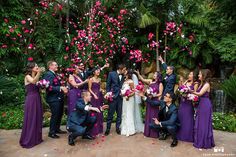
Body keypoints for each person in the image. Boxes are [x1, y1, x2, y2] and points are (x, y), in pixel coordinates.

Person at [19, 61, 43, 148]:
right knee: (31, 117)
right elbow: (33, 82)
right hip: (31, 99)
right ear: (31, 68)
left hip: (37, 98)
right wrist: (39, 73)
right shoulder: (27, 76)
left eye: (37, 66)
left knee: (37, 117)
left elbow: (37, 84)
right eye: (36, 66)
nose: (37, 67)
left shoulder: (35, 76)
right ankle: (28, 139)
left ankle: (36, 138)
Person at [135, 70, 163, 138]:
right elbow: (143, 79)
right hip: (149, 101)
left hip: (155, 101)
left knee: (154, 115)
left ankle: (154, 133)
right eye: (154, 73)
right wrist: (138, 74)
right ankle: (148, 132)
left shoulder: (160, 84)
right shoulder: (150, 81)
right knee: (148, 115)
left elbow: (160, 94)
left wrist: (153, 95)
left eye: (155, 74)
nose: (154, 75)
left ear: (158, 76)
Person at [191, 69, 215, 149]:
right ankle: (199, 140)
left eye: (200, 74)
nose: (198, 75)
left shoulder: (207, 84)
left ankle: (204, 142)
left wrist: (190, 91)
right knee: (199, 122)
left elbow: (200, 93)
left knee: (203, 123)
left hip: (205, 105)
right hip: (201, 104)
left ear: (204, 75)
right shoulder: (201, 83)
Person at [44, 61, 68, 139]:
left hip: (59, 97)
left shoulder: (54, 74)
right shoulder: (48, 74)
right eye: (55, 65)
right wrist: (60, 88)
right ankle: (52, 132)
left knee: (59, 114)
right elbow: (49, 87)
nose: (57, 66)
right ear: (50, 66)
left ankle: (57, 129)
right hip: (53, 98)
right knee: (55, 115)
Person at [177, 70, 199, 142]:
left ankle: (188, 136)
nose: (189, 75)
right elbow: (181, 89)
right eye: (189, 74)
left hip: (189, 103)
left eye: (191, 74)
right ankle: (180, 134)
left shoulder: (195, 83)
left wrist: (188, 92)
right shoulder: (186, 81)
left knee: (188, 119)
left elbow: (195, 94)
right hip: (183, 103)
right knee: (181, 118)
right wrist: (182, 91)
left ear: (194, 76)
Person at [105, 64, 126, 136]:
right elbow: (108, 85)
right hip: (113, 97)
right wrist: (108, 93)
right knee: (110, 114)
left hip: (120, 98)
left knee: (119, 114)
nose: (124, 71)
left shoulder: (124, 76)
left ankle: (117, 129)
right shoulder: (111, 74)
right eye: (124, 70)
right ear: (120, 69)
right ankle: (107, 129)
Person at [88, 67, 104, 137]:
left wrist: (102, 90)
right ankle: (94, 130)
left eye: (98, 70)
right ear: (94, 72)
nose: (98, 71)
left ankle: (99, 130)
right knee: (94, 112)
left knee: (100, 112)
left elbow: (99, 87)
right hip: (93, 97)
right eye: (97, 70)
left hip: (99, 96)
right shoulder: (90, 79)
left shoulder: (99, 79)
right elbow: (89, 89)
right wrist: (94, 95)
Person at [120, 69, 136, 136]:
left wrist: (128, 96)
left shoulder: (131, 81)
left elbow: (134, 91)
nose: (125, 71)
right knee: (124, 113)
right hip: (124, 99)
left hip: (129, 99)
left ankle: (130, 130)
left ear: (128, 73)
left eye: (126, 71)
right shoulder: (125, 81)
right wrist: (122, 94)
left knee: (129, 113)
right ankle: (124, 129)